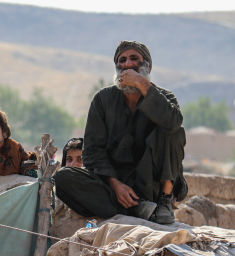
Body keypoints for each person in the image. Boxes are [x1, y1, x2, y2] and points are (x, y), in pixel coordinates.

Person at [53, 41, 187, 224]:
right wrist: (115, 185)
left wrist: (142, 84)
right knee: (63, 177)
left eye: (134, 59)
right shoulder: (103, 100)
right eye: (122, 60)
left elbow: (173, 123)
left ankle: (163, 203)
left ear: (147, 66)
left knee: (174, 130)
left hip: (152, 183)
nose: (127, 64)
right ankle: (138, 208)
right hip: (114, 185)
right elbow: (92, 152)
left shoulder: (165, 98)